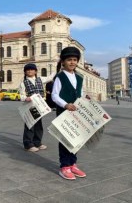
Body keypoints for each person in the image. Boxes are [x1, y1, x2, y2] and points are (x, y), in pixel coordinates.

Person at [52, 46, 87, 180]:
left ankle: (73, 163)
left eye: (74, 60)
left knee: (75, 138)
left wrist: (83, 102)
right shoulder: (60, 77)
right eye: (69, 60)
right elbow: (55, 96)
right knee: (65, 139)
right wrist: (65, 104)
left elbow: (80, 93)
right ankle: (64, 166)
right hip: (64, 112)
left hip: (76, 113)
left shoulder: (79, 78)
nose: (72, 62)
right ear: (63, 62)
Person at [19, 63, 54, 152]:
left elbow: (50, 78)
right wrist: (25, 98)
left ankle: (37, 142)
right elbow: (21, 95)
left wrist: (56, 67)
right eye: (28, 70)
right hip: (30, 106)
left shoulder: (40, 79)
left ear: (35, 71)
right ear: (25, 72)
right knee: (30, 124)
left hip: (40, 106)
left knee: (38, 125)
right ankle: (28, 144)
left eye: (32, 69)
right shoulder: (23, 83)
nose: (30, 71)